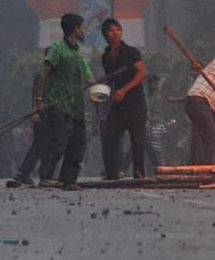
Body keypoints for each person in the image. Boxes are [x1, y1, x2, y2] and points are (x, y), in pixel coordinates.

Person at [37, 13, 95, 190]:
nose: (84, 31)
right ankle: (45, 176)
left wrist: (99, 88)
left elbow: (90, 79)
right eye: (82, 27)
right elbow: (44, 75)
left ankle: (68, 180)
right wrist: (39, 100)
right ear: (75, 29)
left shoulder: (78, 54)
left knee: (78, 144)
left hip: (77, 108)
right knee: (59, 143)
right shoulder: (57, 49)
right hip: (59, 106)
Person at [101, 18, 148, 180]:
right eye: (111, 31)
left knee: (137, 140)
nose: (115, 34)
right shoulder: (105, 56)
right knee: (109, 138)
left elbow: (142, 73)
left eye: (118, 30)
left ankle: (139, 173)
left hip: (135, 101)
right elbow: (110, 80)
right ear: (105, 35)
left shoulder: (131, 52)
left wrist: (124, 90)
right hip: (118, 103)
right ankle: (111, 173)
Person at [14, 63, 52, 186]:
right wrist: (35, 110)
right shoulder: (42, 75)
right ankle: (26, 172)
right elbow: (37, 94)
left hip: (47, 113)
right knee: (40, 144)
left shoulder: (51, 75)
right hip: (41, 114)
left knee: (41, 145)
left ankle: (25, 172)